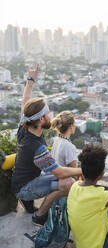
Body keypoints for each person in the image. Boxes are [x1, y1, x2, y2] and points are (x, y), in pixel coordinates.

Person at [11, 65, 82, 226]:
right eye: (47, 113)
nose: (51, 115)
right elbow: (61, 172)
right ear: (41, 119)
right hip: (25, 186)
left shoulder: (25, 126)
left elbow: (25, 102)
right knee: (67, 182)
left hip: (22, 180)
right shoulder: (37, 148)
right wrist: (86, 170)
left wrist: (30, 80)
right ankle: (39, 215)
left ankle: (28, 202)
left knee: (56, 179)